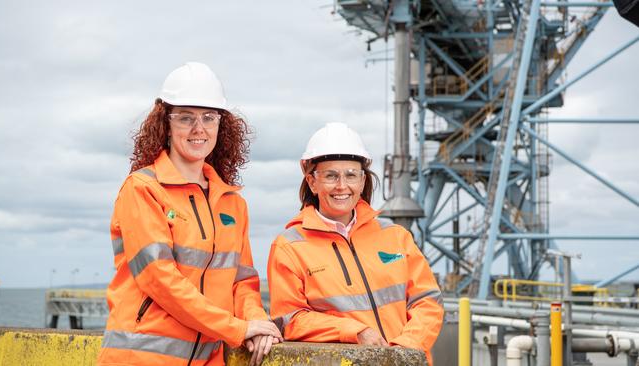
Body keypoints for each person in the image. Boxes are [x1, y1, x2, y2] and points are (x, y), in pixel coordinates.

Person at [97, 62, 282, 366]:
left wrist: (258, 324)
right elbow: (160, 281)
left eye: (209, 118)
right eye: (186, 118)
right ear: (164, 124)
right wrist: (237, 328)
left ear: (222, 125)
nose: (199, 129)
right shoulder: (142, 189)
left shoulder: (233, 203)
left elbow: (242, 282)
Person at [268, 123, 444, 365]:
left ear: (362, 181)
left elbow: (427, 301)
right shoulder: (289, 247)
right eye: (331, 176)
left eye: (351, 175)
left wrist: (402, 350)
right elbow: (292, 320)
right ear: (312, 182)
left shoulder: (396, 237)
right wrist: (354, 331)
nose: (342, 186)